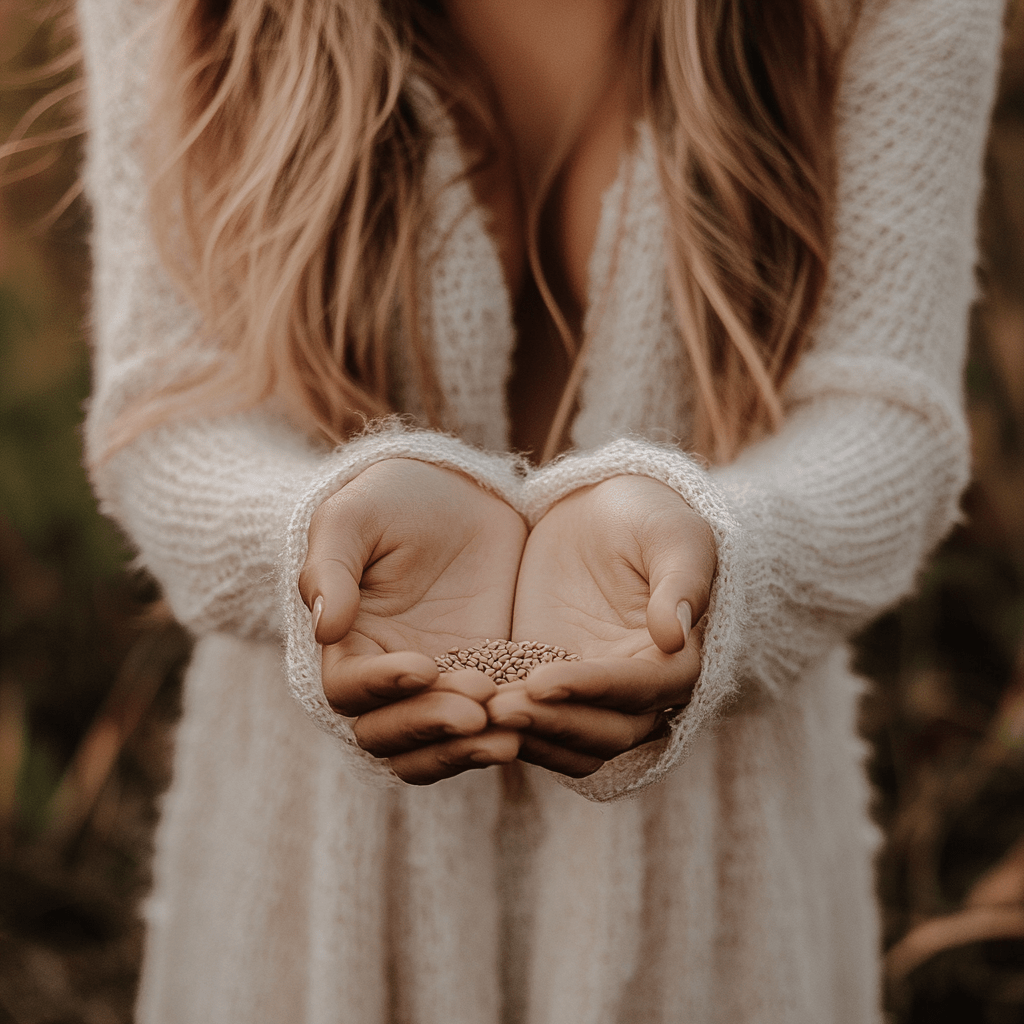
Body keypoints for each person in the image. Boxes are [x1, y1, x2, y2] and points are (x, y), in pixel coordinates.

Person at [76, 0, 1005, 1019]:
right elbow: (165, 411)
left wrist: (725, 556)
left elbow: (887, 420)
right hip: (308, 901)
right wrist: (311, 533)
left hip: (721, 913)